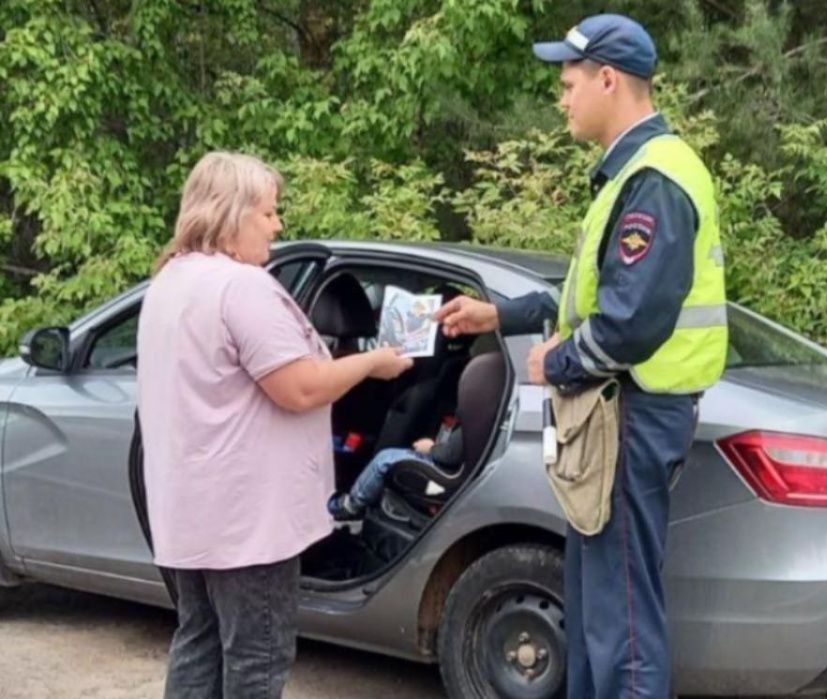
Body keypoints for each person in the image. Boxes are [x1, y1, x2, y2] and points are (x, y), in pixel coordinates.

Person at [435, 14, 727, 698]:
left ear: (607, 79)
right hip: (621, 415)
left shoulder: (655, 180)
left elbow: (628, 323)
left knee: (622, 616)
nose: (561, 99)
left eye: (568, 84)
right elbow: (589, 300)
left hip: (633, 414)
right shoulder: (632, 173)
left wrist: (554, 365)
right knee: (599, 604)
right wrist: (499, 314)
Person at [136, 151, 413, 699]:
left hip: (189, 512)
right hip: (247, 526)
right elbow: (302, 389)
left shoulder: (170, 281)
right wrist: (374, 363)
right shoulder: (242, 287)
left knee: (199, 639)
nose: (277, 224)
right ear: (232, 214)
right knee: (257, 659)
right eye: (269, 212)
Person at [327, 417, 463, 520]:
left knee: (385, 459)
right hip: (456, 469)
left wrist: (430, 448)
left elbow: (449, 455)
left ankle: (351, 507)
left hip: (450, 474)